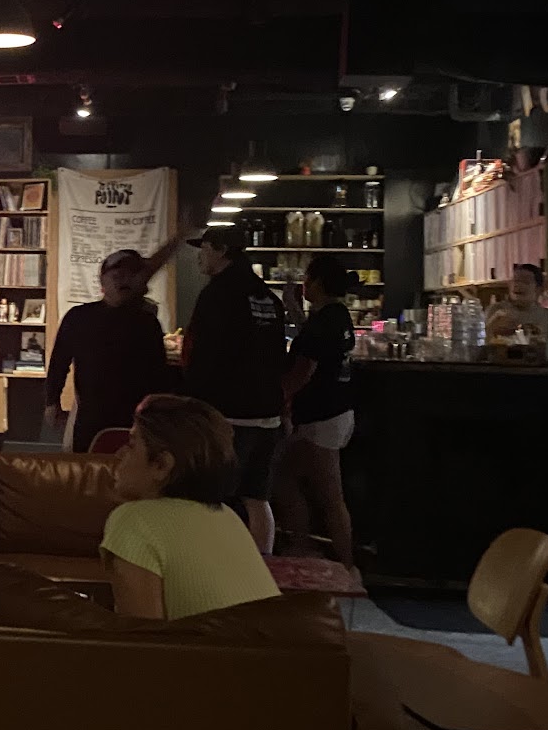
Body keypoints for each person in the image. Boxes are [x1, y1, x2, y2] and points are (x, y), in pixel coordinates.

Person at [99, 394, 282, 621]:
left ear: (161, 465)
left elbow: (143, 635)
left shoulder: (133, 521)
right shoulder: (227, 516)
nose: (119, 454)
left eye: (131, 445)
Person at [182, 225, 288, 554]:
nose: (199, 257)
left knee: (214, 495)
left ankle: (216, 563)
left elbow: (202, 353)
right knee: (257, 497)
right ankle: (262, 564)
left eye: (204, 249)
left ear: (221, 250)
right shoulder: (266, 296)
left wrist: (194, 404)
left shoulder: (217, 294)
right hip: (267, 412)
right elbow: (277, 355)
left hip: (227, 412)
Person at [45, 237, 182, 451]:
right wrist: (52, 402)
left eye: (130, 276)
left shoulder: (147, 322)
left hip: (136, 420)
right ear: (102, 281)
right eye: (117, 275)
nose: (123, 281)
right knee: (90, 467)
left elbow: (158, 372)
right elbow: (59, 362)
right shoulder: (79, 317)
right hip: (92, 418)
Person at [273, 254, 358, 567]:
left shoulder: (324, 322)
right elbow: (312, 338)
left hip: (321, 417)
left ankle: (326, 557)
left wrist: (278, 398)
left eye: (307, 280)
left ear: (318, 282)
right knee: (301, 482)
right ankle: (314, 551)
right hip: (338, 412)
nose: (304, 285)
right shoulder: (338, 315)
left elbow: (303, 371)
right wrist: (293, 308)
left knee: (316, 490)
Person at [486, 263, 548, 347]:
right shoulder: (496, 311)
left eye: (525, 282)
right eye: (515, 281)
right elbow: (482, 342)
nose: (517, 285)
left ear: (539, 290)